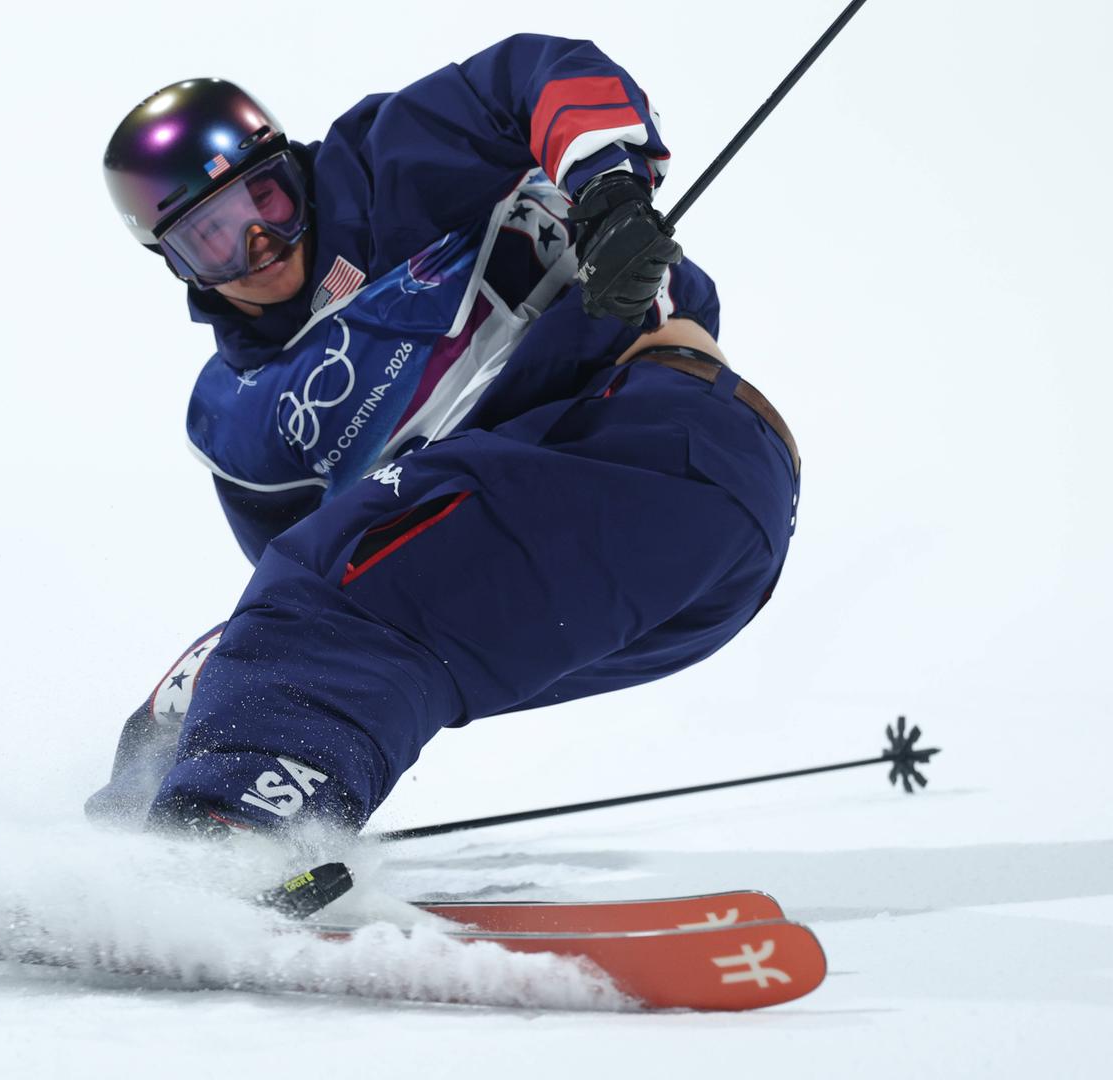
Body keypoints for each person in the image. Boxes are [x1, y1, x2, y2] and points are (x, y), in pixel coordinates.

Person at [86, 34, 800, 838]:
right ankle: (132, 849)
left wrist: (610, 200)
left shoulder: (391, 167)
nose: (259, 246)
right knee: (213, 677)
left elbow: (542, 76)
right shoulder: (241, 421)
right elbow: (312, 592)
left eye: (270, 202)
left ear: (297, 172)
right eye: (211, 238)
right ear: (175, 264)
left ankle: (233, 836)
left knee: (323, 612)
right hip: (617, 589)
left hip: (656, 447)